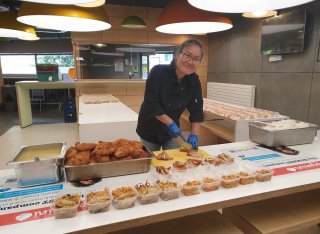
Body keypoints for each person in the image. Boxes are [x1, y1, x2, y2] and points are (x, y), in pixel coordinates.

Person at [136, 39, 204, 151]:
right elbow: (151, 103)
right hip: (149, 129)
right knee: (152, 163)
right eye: (188, 55)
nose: (190, 61)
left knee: (178, 160)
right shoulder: (158, 72)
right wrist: (170, 123)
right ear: (178, 54)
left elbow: (197, 109)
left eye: (196, 59)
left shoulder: (194, 81)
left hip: (172, 133)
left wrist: (194, 134)